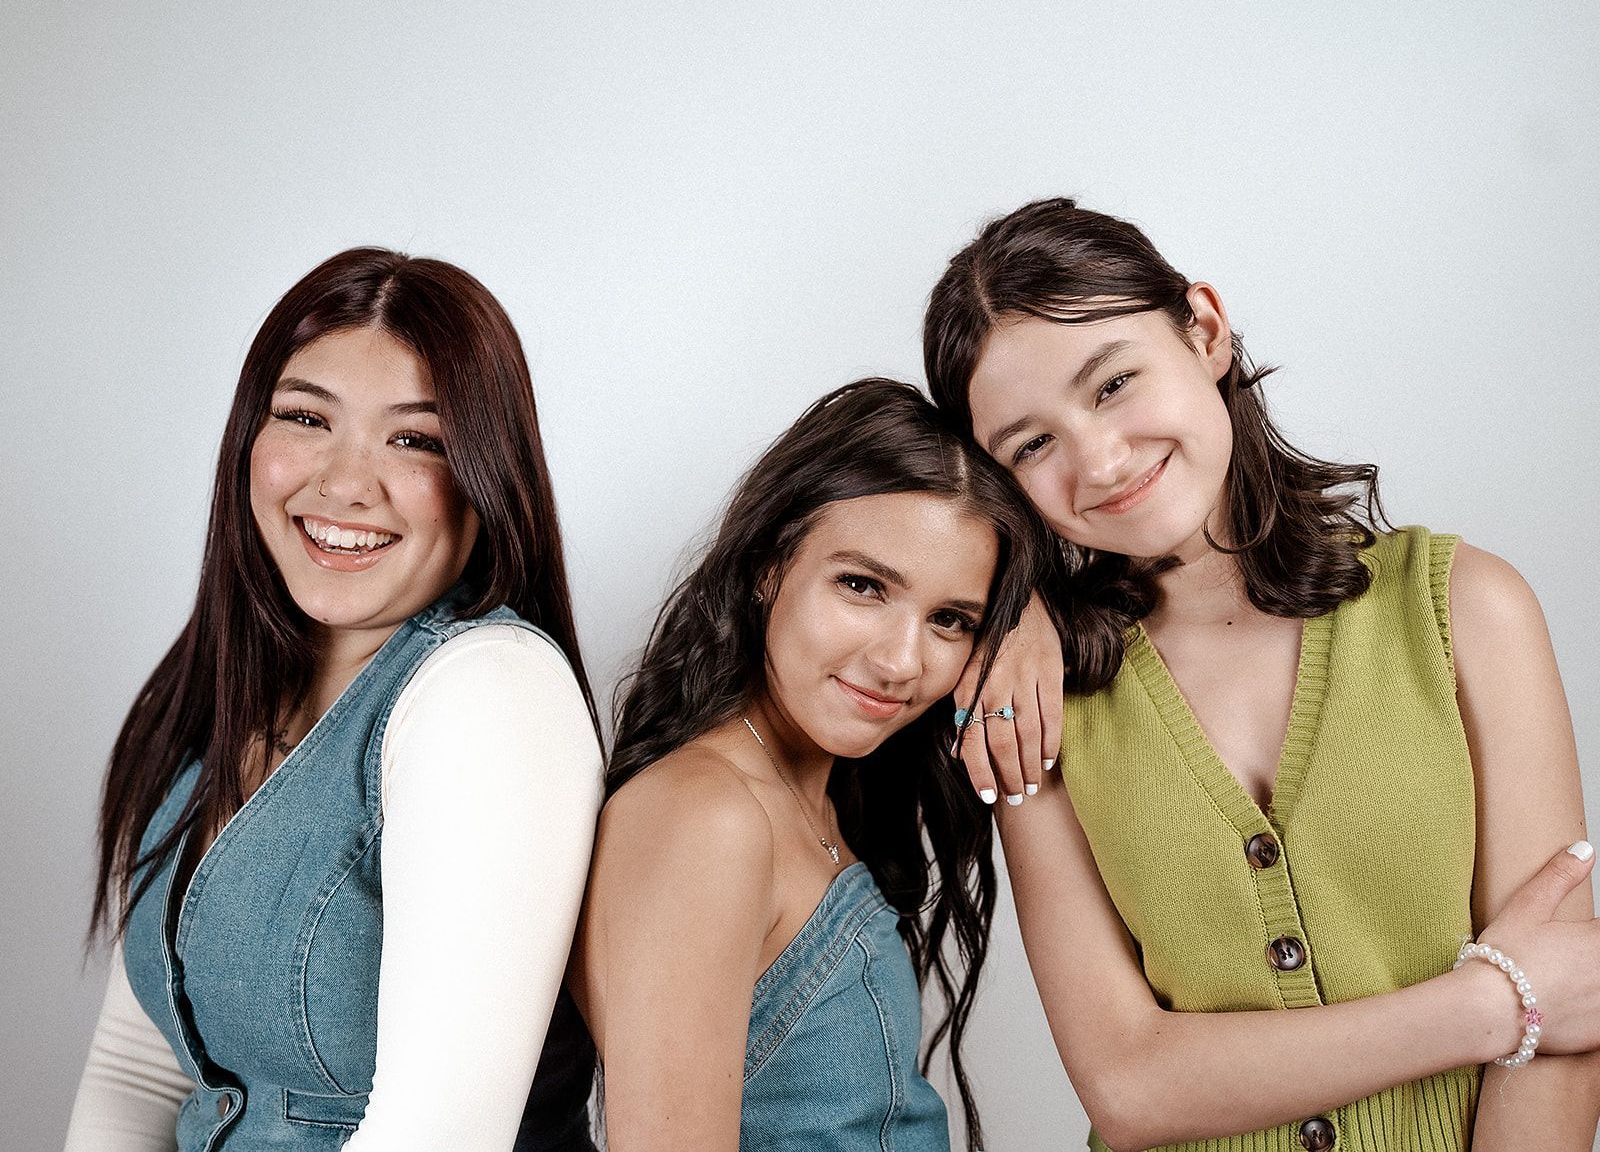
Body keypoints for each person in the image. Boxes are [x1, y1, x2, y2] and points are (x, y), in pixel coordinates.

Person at [922, 198, 1600, 1151]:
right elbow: (1129, 1085)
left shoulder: (1464, 609)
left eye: (1113, 383)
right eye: (1031, 444)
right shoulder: (1035, 704)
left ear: (1203, 329)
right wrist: (1496, 1005)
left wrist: (1534, 1006)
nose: (1100, 460)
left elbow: (1571, 1021)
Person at [65, 248, 603, 1151]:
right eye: (306, 417)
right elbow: (138, 1071)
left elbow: (440, 1134)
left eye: (414, 438)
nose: (346, 482)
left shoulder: (491, 693)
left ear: (485, 476)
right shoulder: (224, 693)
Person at [571, 379, 1050, 1151]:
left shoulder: (818, 797)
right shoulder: (708, 814)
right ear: (770, 565)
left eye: (950, 620)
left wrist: (1034, 617)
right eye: (862, 585)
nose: (901, 660)